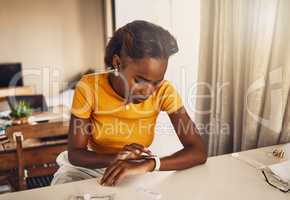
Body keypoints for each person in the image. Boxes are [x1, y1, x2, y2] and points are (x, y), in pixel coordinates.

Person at [51, 20, 207, 186]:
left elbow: (198, 151)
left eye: (156, 82)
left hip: (136, 167)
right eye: (140, 80)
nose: (148, 91)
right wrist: (117, 158)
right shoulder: (89, 87)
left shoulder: (165, 91)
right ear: (117, 63)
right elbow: (76, 154)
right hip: (90, 166)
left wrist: (150, 163)